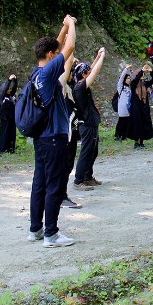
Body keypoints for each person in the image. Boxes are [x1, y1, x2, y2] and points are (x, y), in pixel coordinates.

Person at [28, 15, 78, 248]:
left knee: (39, 183)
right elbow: (69, 47)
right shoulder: (49, 74)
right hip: (55, 138)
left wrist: (63, 26)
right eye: (54, 54)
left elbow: (57, 47)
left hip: (40, 138)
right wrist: (72, 25)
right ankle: (51, 234)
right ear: (50, 56)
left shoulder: (36, 74)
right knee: (55, 185)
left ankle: (35, 229)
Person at [73, 48, 106, 190]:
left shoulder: (80, 84)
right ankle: (78, 180)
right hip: (86, 124)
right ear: (82, 75)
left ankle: (87, 176)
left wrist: (97, 57)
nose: (89, 73)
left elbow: (90, 70)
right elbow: (94, 72)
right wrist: (103, 57)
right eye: (86, 72)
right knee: (86, 151)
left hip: (91, 122)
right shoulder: (79, 87)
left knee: (93, 151)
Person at [60, 55, 83, 208]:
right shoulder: (61, 90)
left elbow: (76, 76)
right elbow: (64, 72)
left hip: (72, 135)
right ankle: (60, 196)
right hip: (65, 137)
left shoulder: (70, 89)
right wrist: (68, 54)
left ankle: (61, 194)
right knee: (64, 166)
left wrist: (74, 62)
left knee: (68, 166)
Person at [128, 64, 153, 149]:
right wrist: (142, 71)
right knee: (136, 125)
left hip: (144, 108)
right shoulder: (133, 84)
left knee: (143, 124)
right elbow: (136, 80)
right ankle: (136, 143)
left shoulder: (144, 84)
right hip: (136, 109)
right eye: (141, 74)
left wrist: (151, 71)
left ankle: (141, 142)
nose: (143, 75)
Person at [0, 74, 18, 155]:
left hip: (12, 118)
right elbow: (4, 89)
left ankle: (11, 148)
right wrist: (9, 80)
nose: (9, 90)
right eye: (8, 88)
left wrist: (15, 81)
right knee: (4, 133)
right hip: (4, 118)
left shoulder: (11, 96)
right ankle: (2, 149)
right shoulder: (2, 97)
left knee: (12, 133)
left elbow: (14, 88)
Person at [115, 66, 131, 141]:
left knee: (127, 122)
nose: (129, 80)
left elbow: (133, 79)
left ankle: (124, 136)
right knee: (121, 121)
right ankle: (117, 135)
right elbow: (121, 79)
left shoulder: (130, 87)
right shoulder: (120, 87)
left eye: (129, 78)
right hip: (122, 108)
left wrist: (130, 71)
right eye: (127, 78)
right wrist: (126, 69)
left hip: (128, 108)